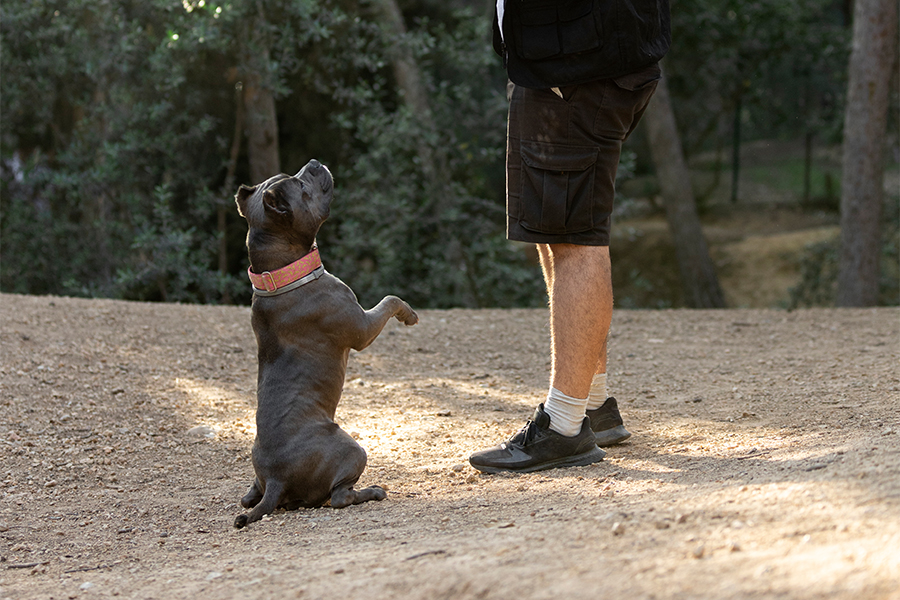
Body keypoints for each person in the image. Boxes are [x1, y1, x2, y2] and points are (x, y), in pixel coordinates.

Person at [469, 0, 671, 473]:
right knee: (557, 233)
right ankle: (592, 405)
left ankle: (563, 428)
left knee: (576, 241)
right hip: (572, 58)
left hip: (575, 64)